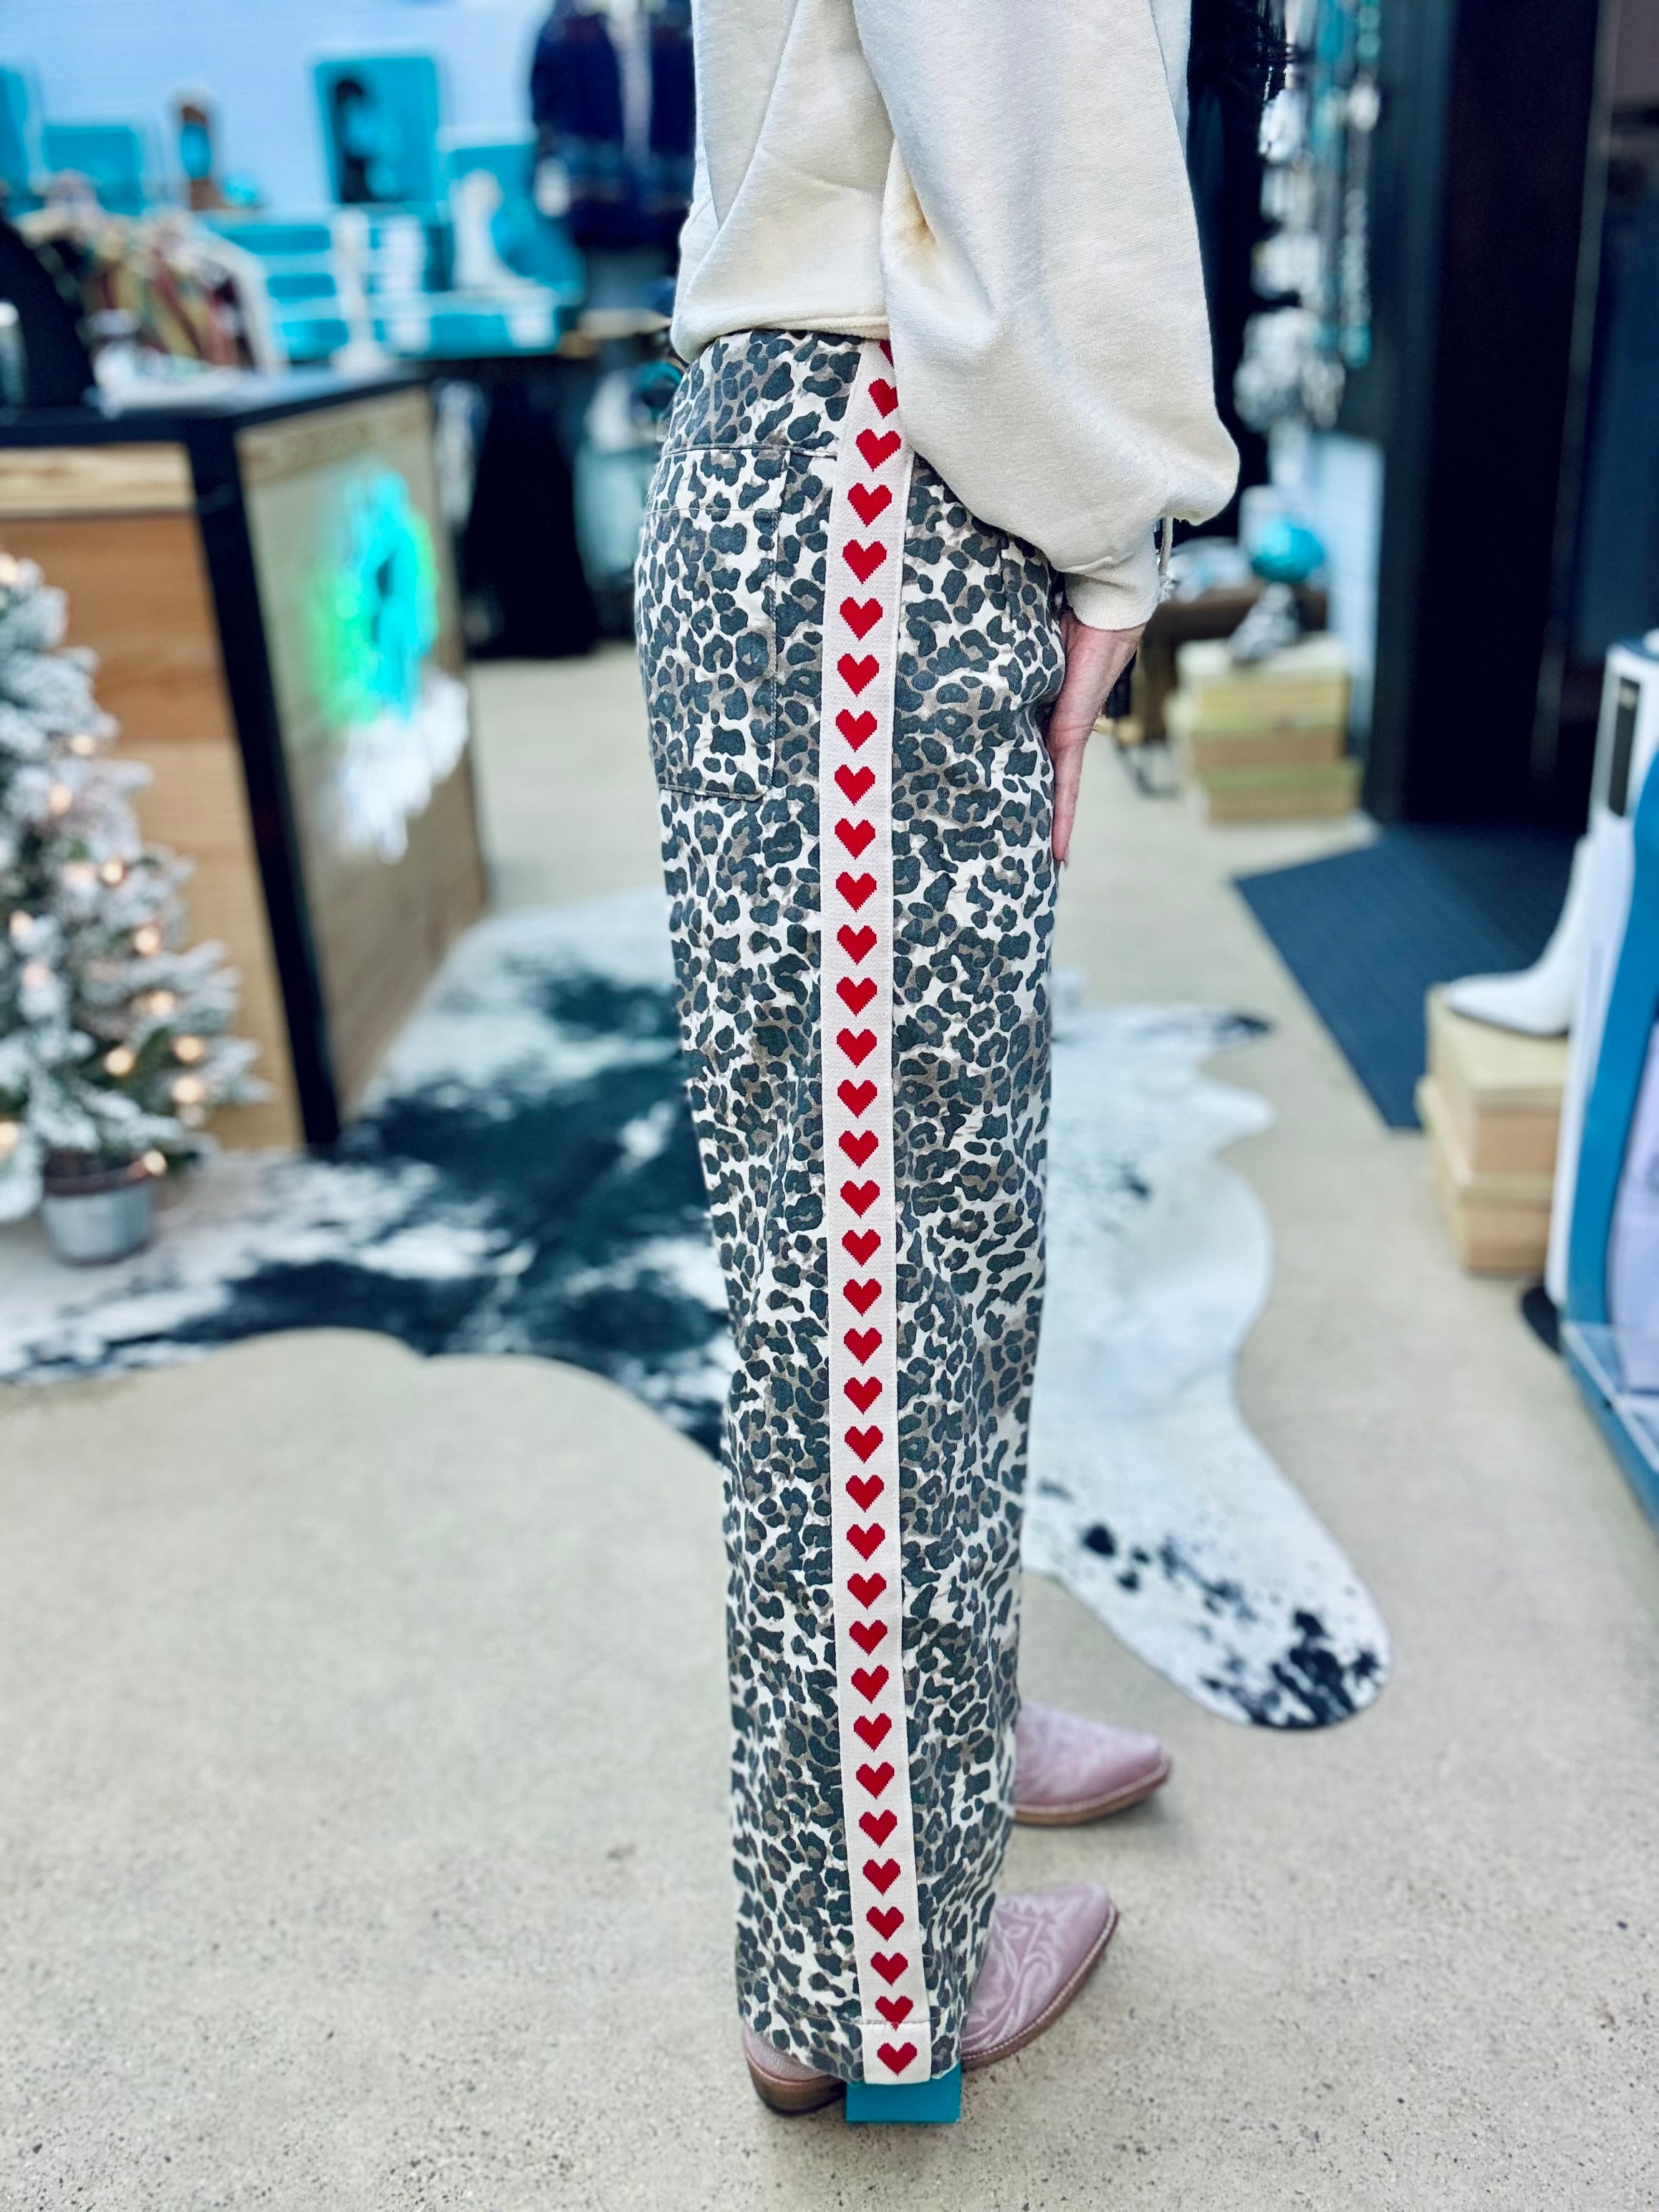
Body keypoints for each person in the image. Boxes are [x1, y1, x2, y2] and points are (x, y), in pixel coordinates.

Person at [635, 0, 1244, 2115]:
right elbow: (1034, 121)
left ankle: (936, 1756)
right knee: (875, 1280)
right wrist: (1119, 524)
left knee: (930, 1238)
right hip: (884, 472)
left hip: (838, 454)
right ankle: (861, 1977)